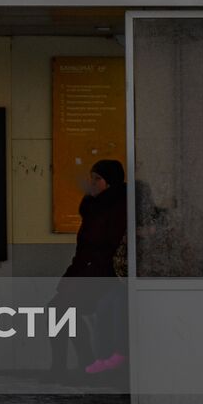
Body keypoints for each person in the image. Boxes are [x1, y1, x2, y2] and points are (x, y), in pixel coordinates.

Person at [59, 158, 128, 375]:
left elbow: (108, 249)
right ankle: (77, 363)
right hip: (87, 273)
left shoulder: (117, 209)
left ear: (109, 182)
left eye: (97, 179)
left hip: (106, 277)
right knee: (57, 310)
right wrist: (70, 277)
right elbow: (83, 250)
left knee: (62, 311)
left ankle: (88, 363)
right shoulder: (92, 208)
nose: (92, 183)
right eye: (91, 178)